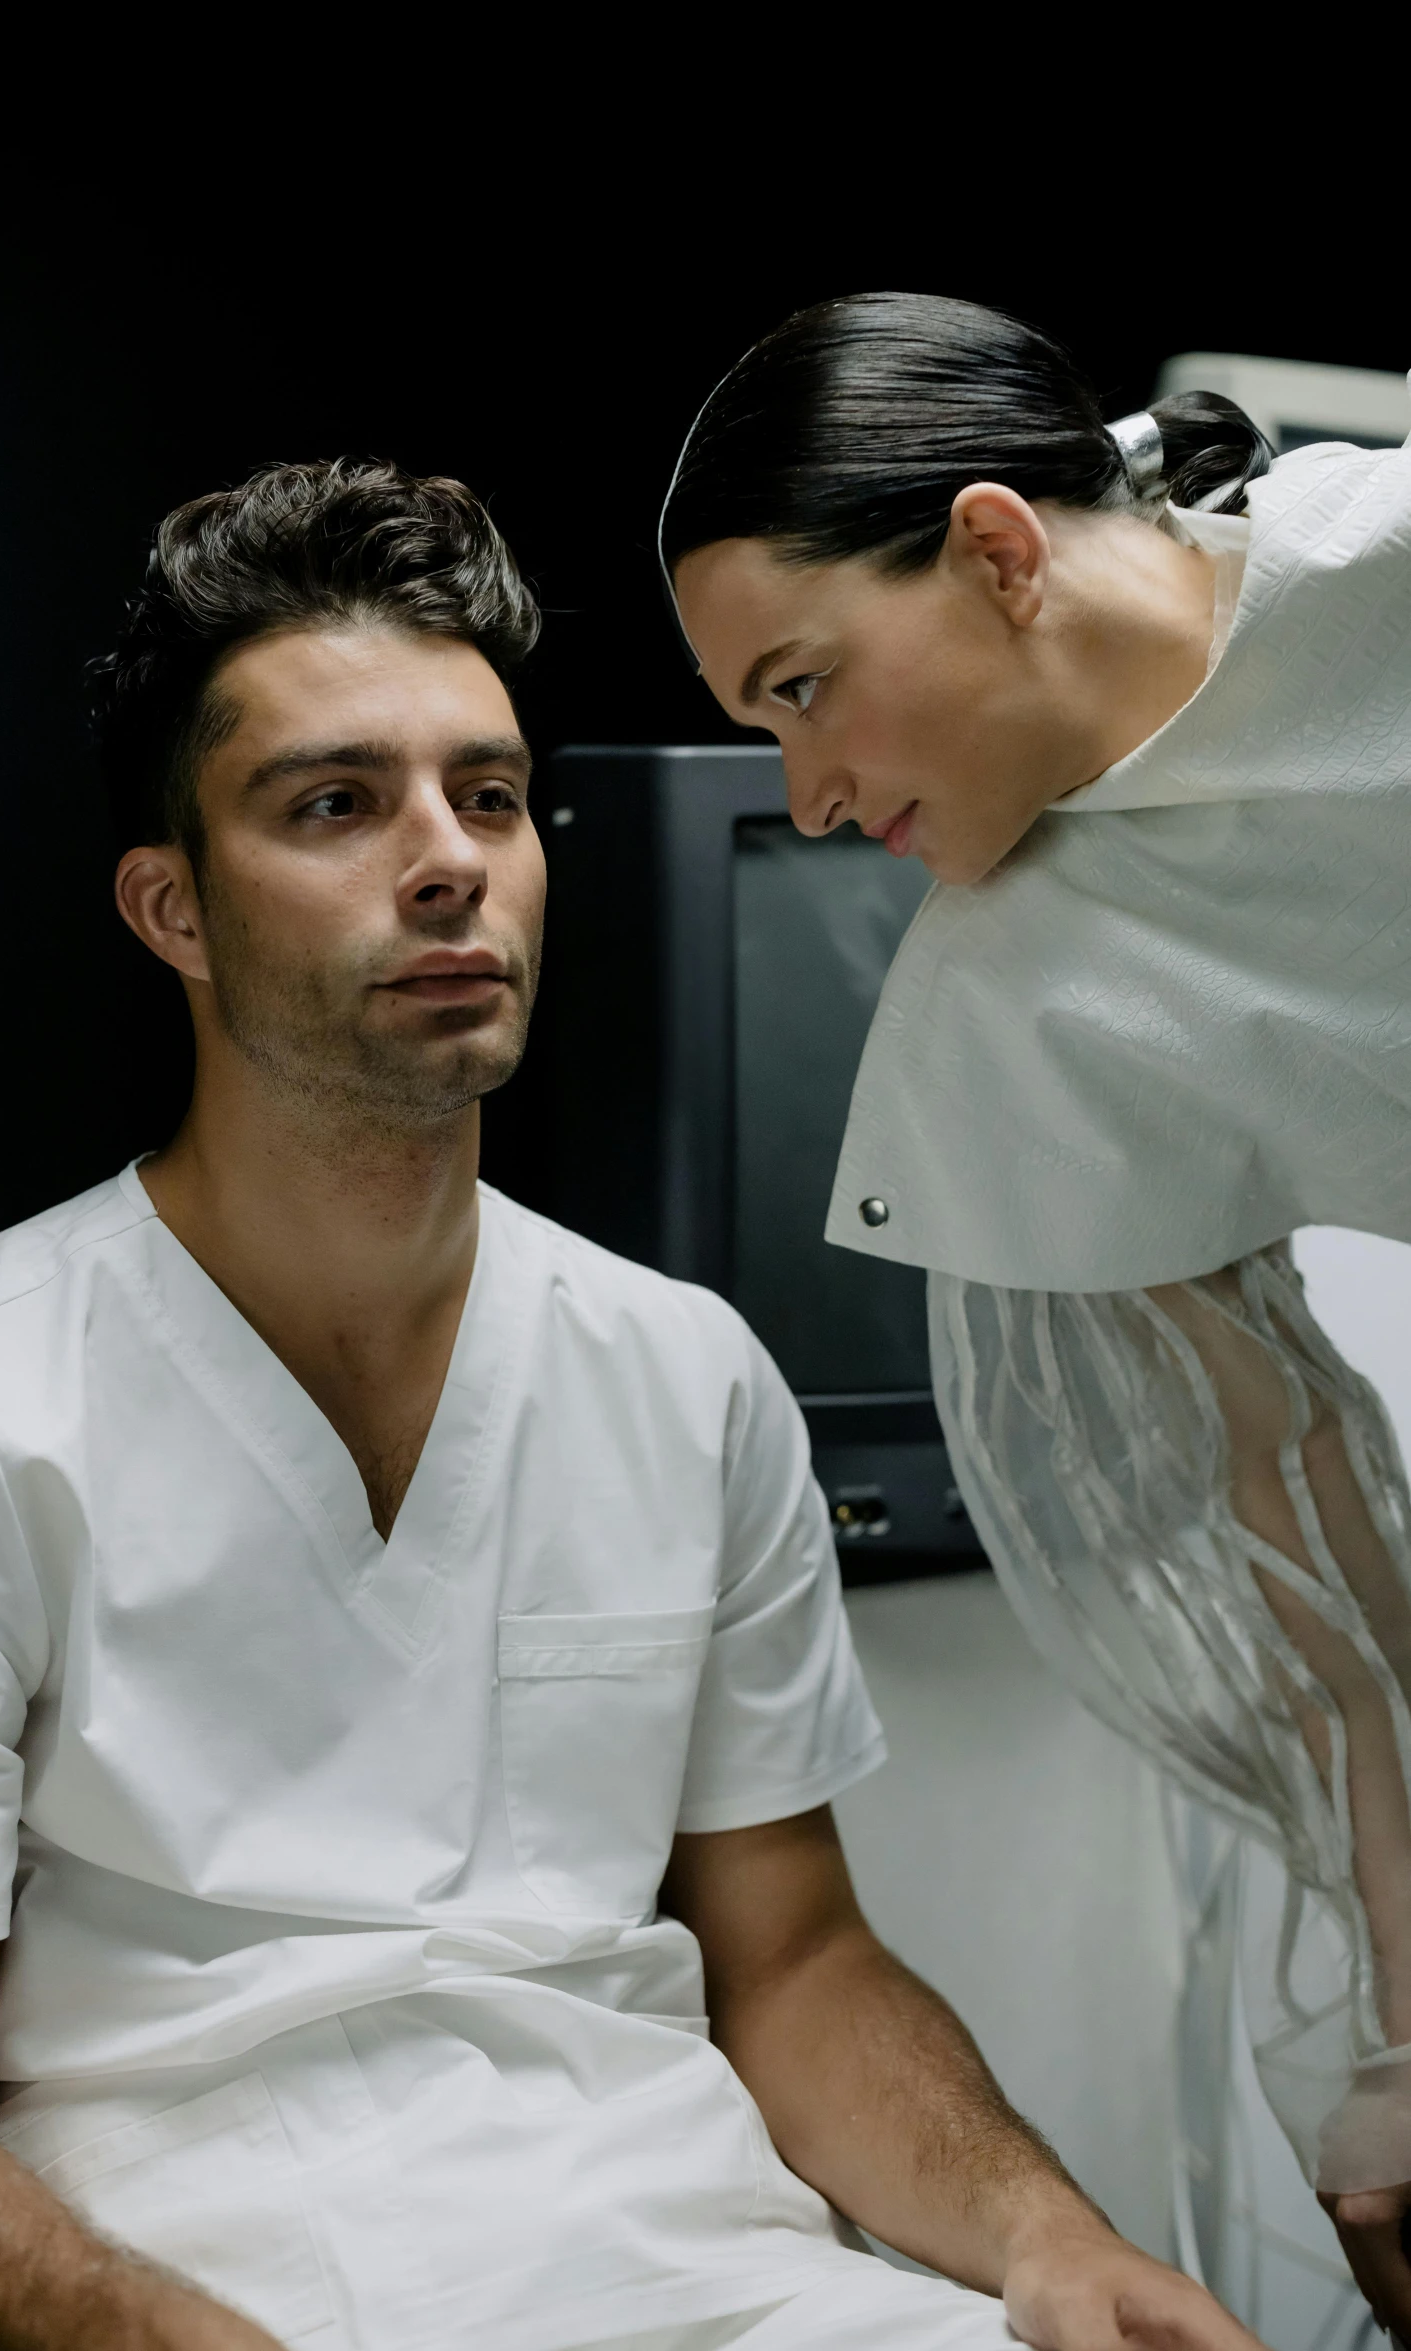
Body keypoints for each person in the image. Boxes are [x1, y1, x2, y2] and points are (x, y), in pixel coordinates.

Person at [0, 458, 1260, 2351]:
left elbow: (801, 1965)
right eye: (336, 802)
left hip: (713, 2274)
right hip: (221, 2289)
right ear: (172, 908)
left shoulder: (680, 1376)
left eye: (488, 796)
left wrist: (1043, 2240)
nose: (447, 857)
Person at [659, 289, 1411, 2333]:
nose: (806, 791)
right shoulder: (1021, 1007)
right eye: (762, 729)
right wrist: (1400, 2068)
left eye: (805, 685)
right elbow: (1338, 1616)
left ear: (995, 549)